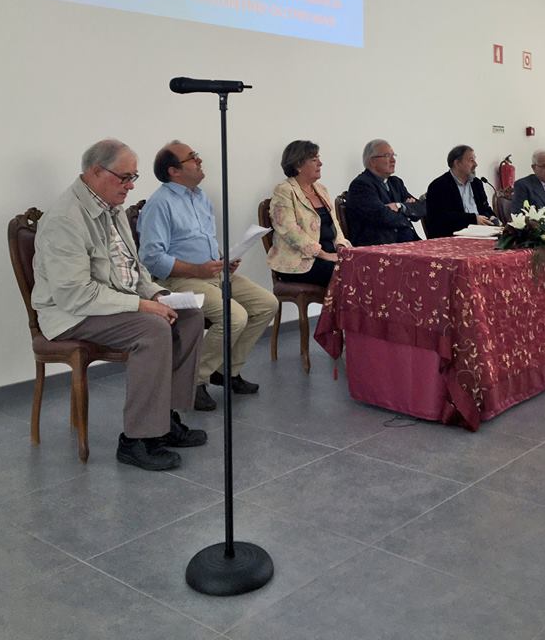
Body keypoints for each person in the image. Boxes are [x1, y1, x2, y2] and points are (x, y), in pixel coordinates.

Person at [32, 139, 207, 472]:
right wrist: (141, 306)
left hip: (111, 302)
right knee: (153, 329)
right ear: (96, 172)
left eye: (133, 177)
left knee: (189, 316)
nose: (131, 186)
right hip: (71, 314)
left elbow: (134, 270)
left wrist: (155, 294)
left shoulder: (112, 208)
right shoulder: (65, 219)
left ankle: (165, 419)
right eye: (125, 177)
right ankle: (137, 439)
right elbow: (75, 295)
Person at [138, 141, 277, 413]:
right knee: (234, 316)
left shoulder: (200, 197)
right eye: (192, 157)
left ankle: (226, 370)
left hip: (212, 274)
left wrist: (223, 260)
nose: (199, 161)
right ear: (174, 171)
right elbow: (152, 258)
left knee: (267, 304)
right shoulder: (159, 204)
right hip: (180, 280)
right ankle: (194, 381)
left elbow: (202, 240)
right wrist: (197, 270)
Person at [267, 140, 351, 286]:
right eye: (314, 160)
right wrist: (324, 255)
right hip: (300, 262)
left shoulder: (321, 189)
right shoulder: (284, 191)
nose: (320, 163)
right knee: (347, 274)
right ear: (298, 165)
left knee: (365, 266)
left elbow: (334, 223)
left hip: (329, 254)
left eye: (319, 158)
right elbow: (289, 231)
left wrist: (341, 246)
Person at [345, 139, 423, 245]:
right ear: (372, 161)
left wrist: (399, 206)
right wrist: (407, 211)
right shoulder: (361, 185)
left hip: (407, 242)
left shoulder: (395, 182)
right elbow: (382, 216)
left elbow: (421, 208)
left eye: (393, 155)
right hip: (379, 246)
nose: (393, 160)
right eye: (387, 156)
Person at [425, 144, 495, 237]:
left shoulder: (476, 183)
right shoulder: (438, 186)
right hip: (452, 236)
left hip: (481, 233)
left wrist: (492, 217)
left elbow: (484, 208)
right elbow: (441, 218)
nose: (476, 164)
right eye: (471, 160)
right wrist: (473, 219)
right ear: (457, 163)